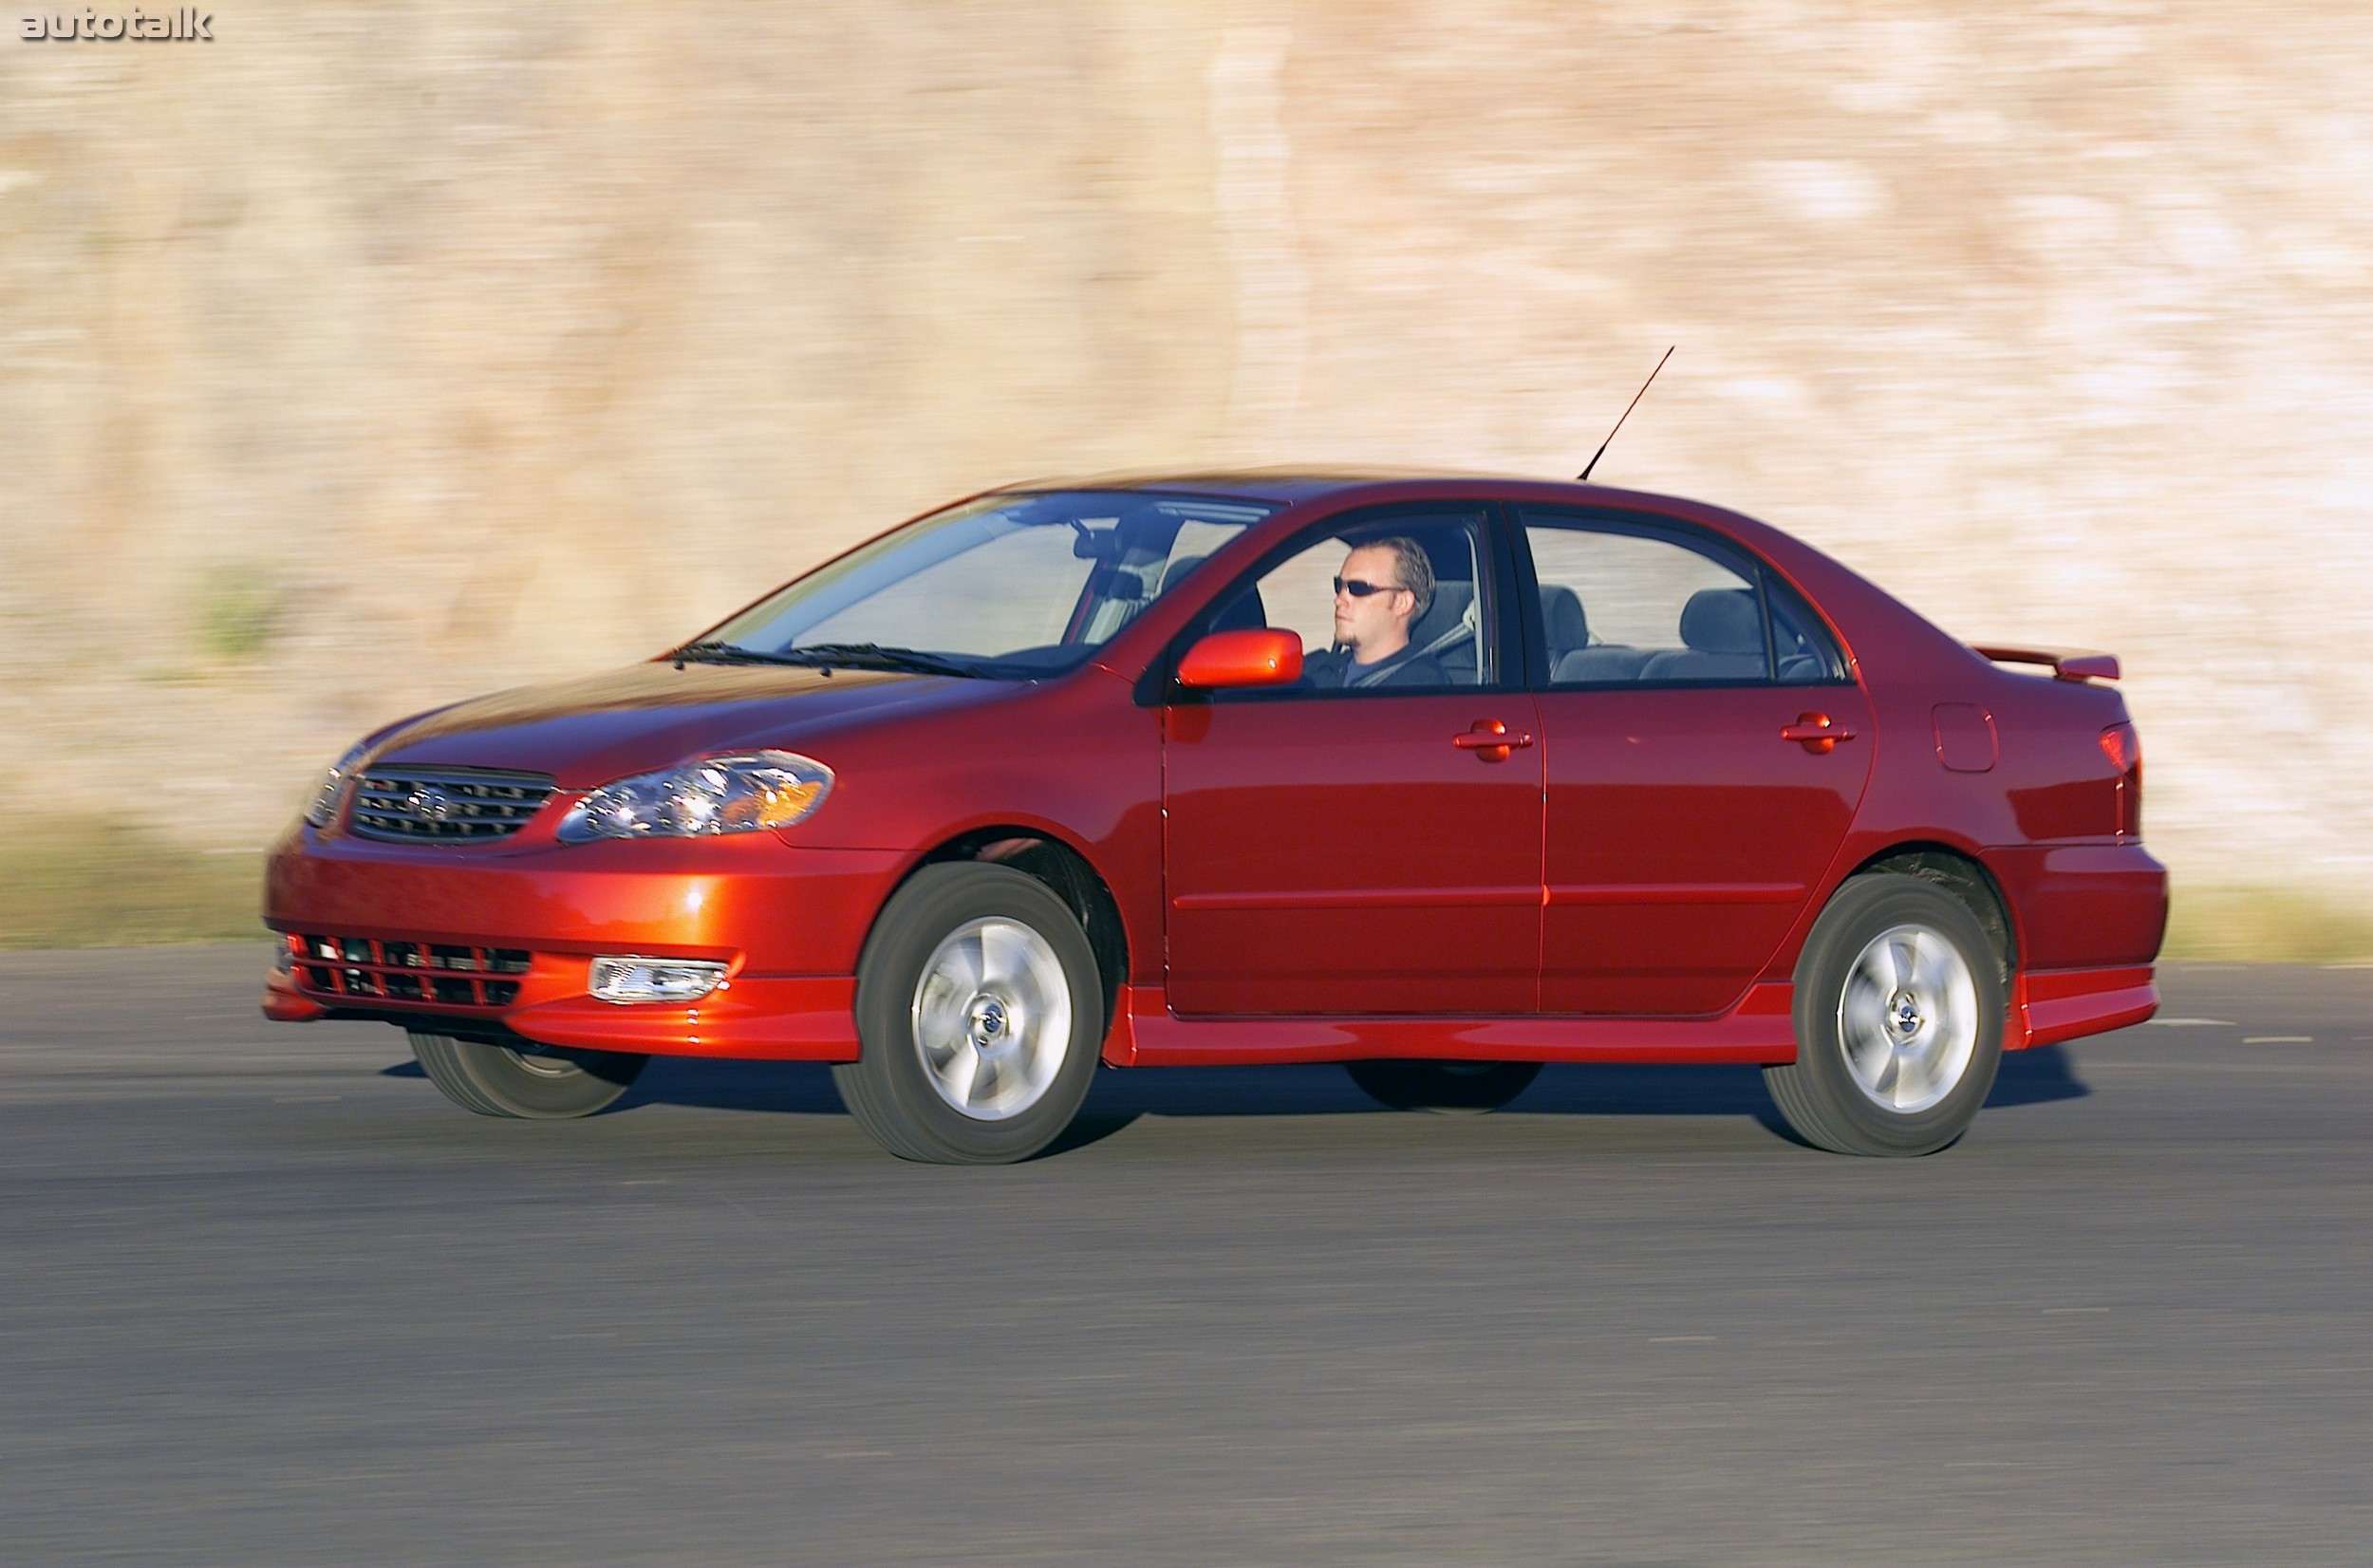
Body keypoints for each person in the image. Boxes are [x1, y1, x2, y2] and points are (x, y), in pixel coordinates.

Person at [1301, 536, 1448, 688]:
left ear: (1401, 603)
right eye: (1339, 586)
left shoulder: (1420, 687)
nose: (1339, 600)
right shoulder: (1317, 668)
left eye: (1359, 588)